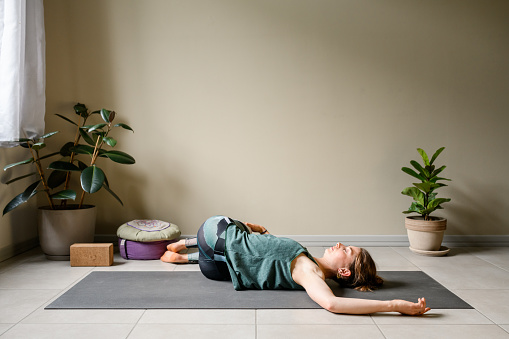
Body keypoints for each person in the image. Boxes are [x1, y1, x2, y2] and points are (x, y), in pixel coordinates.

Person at [161, 215, 430, 316]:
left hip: (213, 235)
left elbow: (333, 304)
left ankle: (186, 244)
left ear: (344, 271)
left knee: (231, 224)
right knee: (250, 244)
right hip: (216, 270)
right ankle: (185, 257)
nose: (338, 244)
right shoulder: (307, 264)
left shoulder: (309, 271)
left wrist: (394, 305)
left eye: (346, 250)